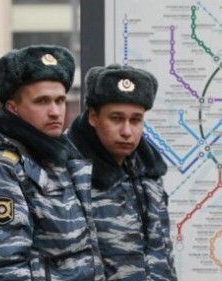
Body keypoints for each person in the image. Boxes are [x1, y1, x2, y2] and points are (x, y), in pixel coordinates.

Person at [0, 45, 105, 281]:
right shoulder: (0, 167)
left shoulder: (52, 153)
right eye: (42, 101)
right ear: (13, 108)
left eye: (60, 101)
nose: (55, 111)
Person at [67, 64, 177, 280]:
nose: (127, 131)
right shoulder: (66, 173)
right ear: (93, 117)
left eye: (135, 120)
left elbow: (163, 256)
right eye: (116, 118)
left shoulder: (149, 175)